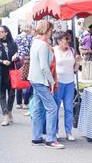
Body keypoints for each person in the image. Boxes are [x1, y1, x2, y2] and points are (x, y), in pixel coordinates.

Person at [28, 20, 64, 149]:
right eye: (51, 30)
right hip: (41, 80)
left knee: (38, 108)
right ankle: (50, 139)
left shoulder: (35, 42)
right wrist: (53, 82)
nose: (52, 33)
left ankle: (37, 137)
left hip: (34, 79)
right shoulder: (42, 45)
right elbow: (44, 67)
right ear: (47, 30)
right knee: (52, 108)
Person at [53, 31, 81, 141]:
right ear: (59, 41)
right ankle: (54, 131)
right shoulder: (53, 50)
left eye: (68, 39)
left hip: (70, 82)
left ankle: (68, 132)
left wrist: (78, 62)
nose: (68, 41)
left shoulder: (72, 51)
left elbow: (74, 69)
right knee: (55, 108)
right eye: (65, 39)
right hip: (58, 82)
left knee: (69, 108)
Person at [0, 25, 18, 126]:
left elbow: (18, 55)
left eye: (2, 32)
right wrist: (2, 61)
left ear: (6, 33)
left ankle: (9, 110)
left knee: (11, 93)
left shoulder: (13, 44)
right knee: (2, 94)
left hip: (11, 71)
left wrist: (16, 57)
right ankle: (5, 115)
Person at [14, 24, 33, 110]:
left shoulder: (17, 37)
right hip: (27, 60)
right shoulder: (30, 38)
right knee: (27, 81)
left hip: (18, 60)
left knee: (19, 80)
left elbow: (15, 49)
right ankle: (25, 102)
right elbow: (31, 49)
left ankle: (18, 102)